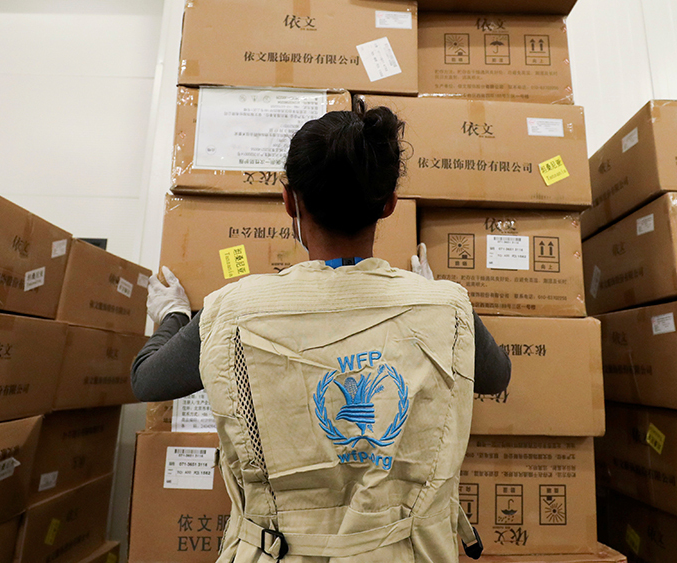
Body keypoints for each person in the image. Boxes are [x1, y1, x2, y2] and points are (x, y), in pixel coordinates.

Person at [133, 101, 511, 562]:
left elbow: (147, 379)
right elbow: (496, 377)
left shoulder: (234, 311)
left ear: (290, 200)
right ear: (389, 203)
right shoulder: (447, 307)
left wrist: (173, 314)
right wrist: (429, 297)